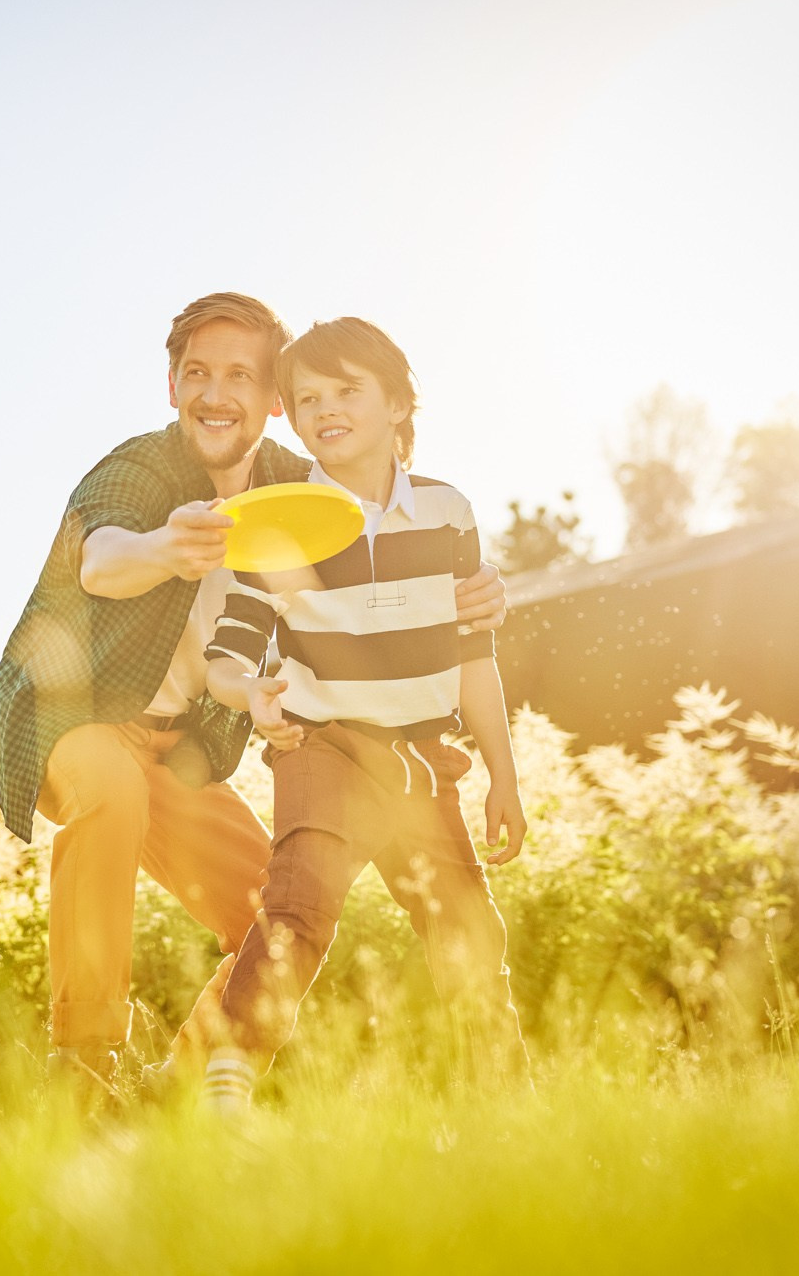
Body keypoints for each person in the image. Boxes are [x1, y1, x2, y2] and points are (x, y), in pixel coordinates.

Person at [0, 294, 509, 1096]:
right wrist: (163, 546)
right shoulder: (142, 467)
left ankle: (176, 1087)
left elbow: (398, 543)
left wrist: (475, 594)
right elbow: (100, 557)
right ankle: (82, 1061)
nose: (215, 394)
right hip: (76, 719)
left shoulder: (302, 486)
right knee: (109, 796)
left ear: (273, 401)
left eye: (239, 377)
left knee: (274, 914)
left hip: (181, 749)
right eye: (196, 374)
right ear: (173, 385)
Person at [199, 315, 530, 1111]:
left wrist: (503, 777)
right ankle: (228, 1081)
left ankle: (506, 1112)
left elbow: (473, 656)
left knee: (469, 939)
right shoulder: (277, 521)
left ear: (397, 404)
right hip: (325, 748)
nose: (325, 408)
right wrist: (252, 695)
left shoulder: (447, 513)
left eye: (348, 390)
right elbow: (227, 657)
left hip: (422, 760)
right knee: (299, 906)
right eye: (307, 397)